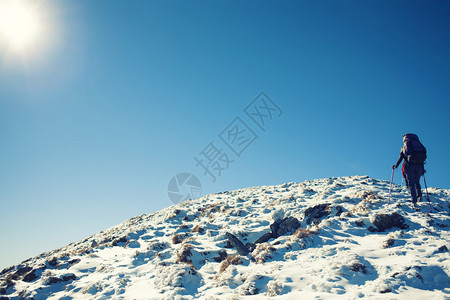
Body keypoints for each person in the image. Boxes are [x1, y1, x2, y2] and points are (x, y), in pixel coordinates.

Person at [392, 133, 426, 209]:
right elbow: (422, 158)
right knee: (417, 182)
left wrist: (395, 166)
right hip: (419, 166)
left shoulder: (405, 147)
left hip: (409, 166)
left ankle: (414, 201)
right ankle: (419, 196)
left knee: (411, 183)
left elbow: (400, 158)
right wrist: (422, 169)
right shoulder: (418, 146)